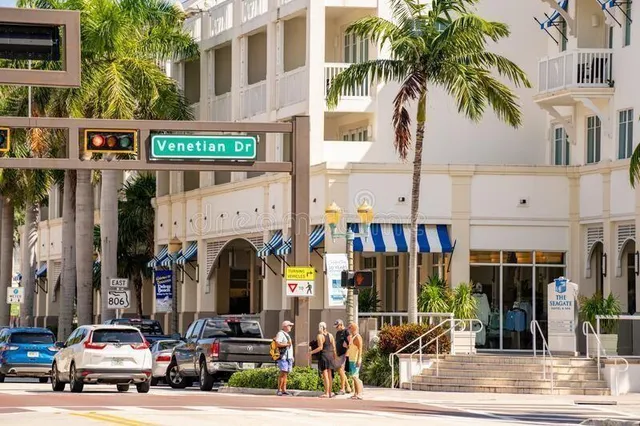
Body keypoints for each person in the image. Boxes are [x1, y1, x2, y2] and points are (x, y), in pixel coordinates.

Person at [309, 321, 337, 398]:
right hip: (331, 356)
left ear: (321, 327)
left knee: (325, 375)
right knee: (330, 375)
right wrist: (335, 357)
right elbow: (334, 348)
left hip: (324, 356)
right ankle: (330, 393)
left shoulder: (320, 336)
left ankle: (326, 393)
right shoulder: (331, 335)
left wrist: (311, 352)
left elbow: (320, 347)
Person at [274, 320, 294, 396]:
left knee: (285, 374)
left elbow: (289, 346)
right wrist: (286, 344)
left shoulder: (287, 334)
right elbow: (277, 343)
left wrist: (292, 356)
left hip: (288, 357)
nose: (291, 327)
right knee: (283, 373)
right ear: (285, 326)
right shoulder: (280, 334)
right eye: (290, 326)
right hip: (283, 357)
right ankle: (279, 390)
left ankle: (284, 390)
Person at [346, 322, 364, 400]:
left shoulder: (357, 337)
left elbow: (360, 349)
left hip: (355, 359)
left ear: (353, 328)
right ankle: (356, 393)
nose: (349, 329)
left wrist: (359, 359)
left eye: (350, 327)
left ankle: (359, 393)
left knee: (355, 377)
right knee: (354, 377)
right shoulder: (352, 337)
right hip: (351, 359)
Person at [334, 319, 352, 395]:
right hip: (339, 354)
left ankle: (342, 389)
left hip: (344, 354)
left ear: (341, 325)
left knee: (341, 370)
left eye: (337, 326)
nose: (336, 328)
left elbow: (350, 342)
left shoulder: (346, 332)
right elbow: (336, 343)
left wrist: (347, 352)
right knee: (340, 371)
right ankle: (348, 387)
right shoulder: (338, 333)